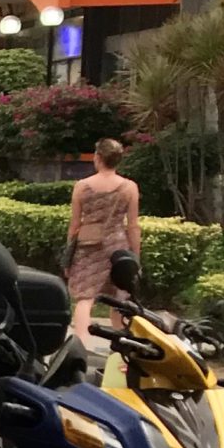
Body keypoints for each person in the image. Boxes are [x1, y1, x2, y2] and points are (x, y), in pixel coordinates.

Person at [65, 136, 143, 348]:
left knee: (85, 298)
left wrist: (68, 256)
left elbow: (74, 224)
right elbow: (133, 226)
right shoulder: (129, 187)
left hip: (87, 246)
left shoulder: (82, 186)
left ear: (98, 157)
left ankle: (81, 344)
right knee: (119, 297)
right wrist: (135, 257)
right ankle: (119, 345)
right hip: (117, 245)